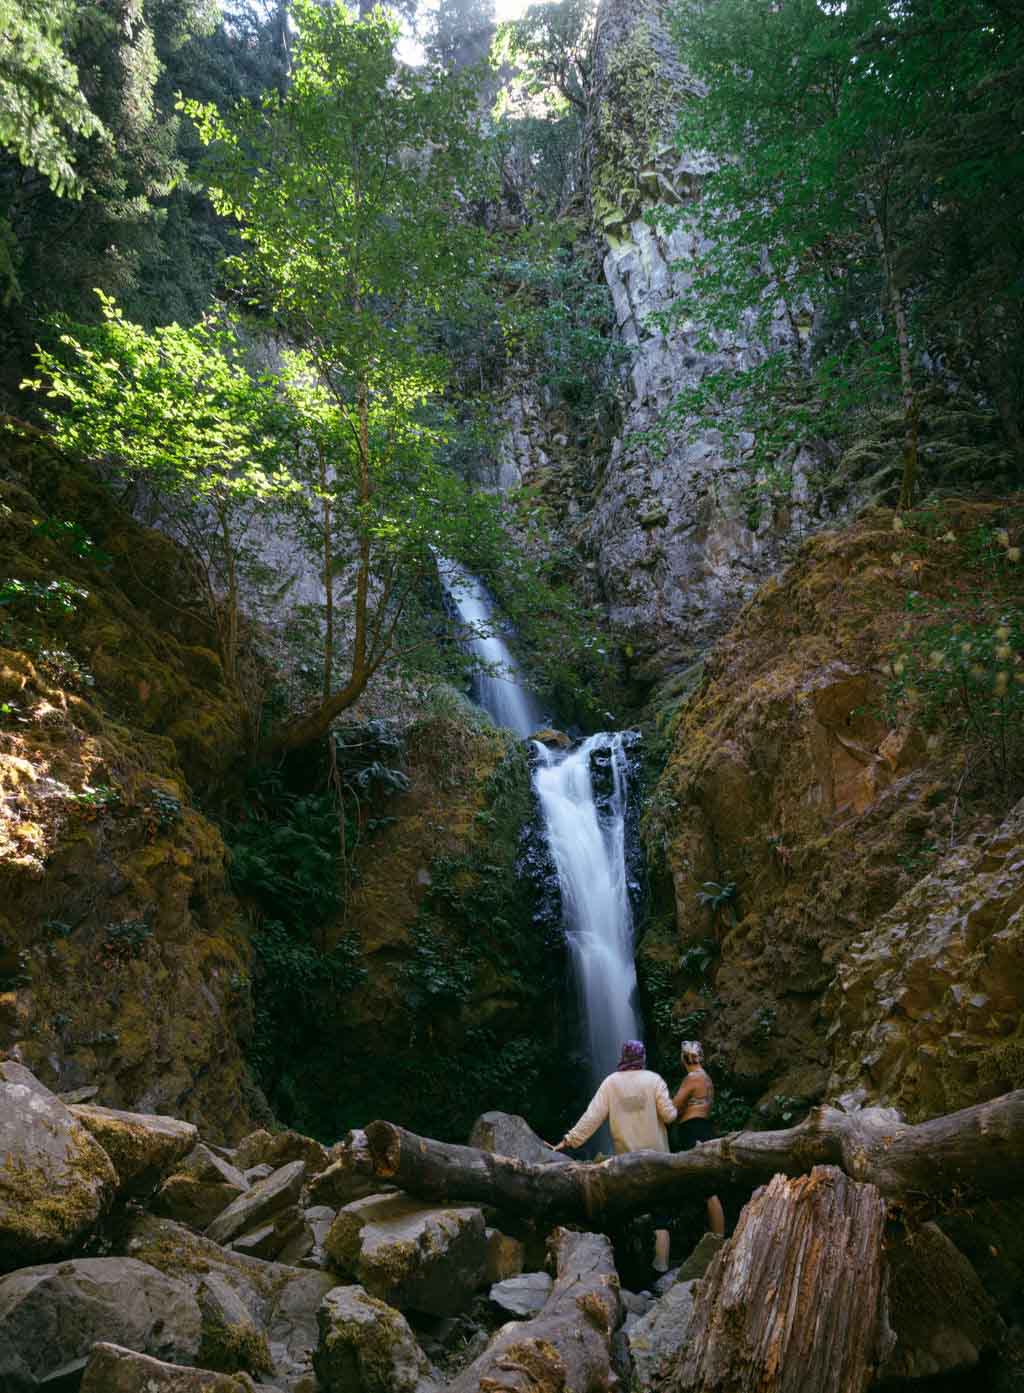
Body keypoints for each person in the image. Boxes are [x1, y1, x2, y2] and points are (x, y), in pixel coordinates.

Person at [551, 1039, 678, 1272]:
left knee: (628, 1211)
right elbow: (669, 1116)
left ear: (623, 1056)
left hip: (626, 1161)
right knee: (660, 1214)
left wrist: (568, 1140)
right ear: (642, 1057)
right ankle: (661, 1269)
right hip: (658, 1159)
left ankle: (625, 1269)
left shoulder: (611, 1083)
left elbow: (592, 1117)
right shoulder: (654, 1080)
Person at [673, 1040, 725, 1237]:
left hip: (693, 1130)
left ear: (685, 1057)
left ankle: (717, 1238)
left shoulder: (692, 1078)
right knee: (706, 1187)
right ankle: (712, 1235)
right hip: (704, 1128)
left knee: (708, 1189)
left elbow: (675, 1107)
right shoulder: (706, 1078)